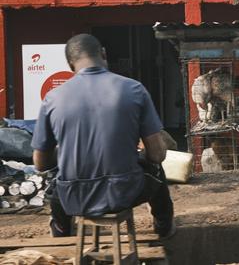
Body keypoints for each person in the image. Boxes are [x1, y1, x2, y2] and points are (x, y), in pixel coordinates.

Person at [32, 34, 175, 238]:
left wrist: (66, 152)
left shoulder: (53, 98)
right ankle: (163, 225)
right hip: (126, 193)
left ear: (70, 64)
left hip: (74, 198)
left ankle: (61, 228)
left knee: (56, 178)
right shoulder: (134, 89)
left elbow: (40, 164)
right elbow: (157, 154)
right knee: (156, 169)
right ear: (104, 54)